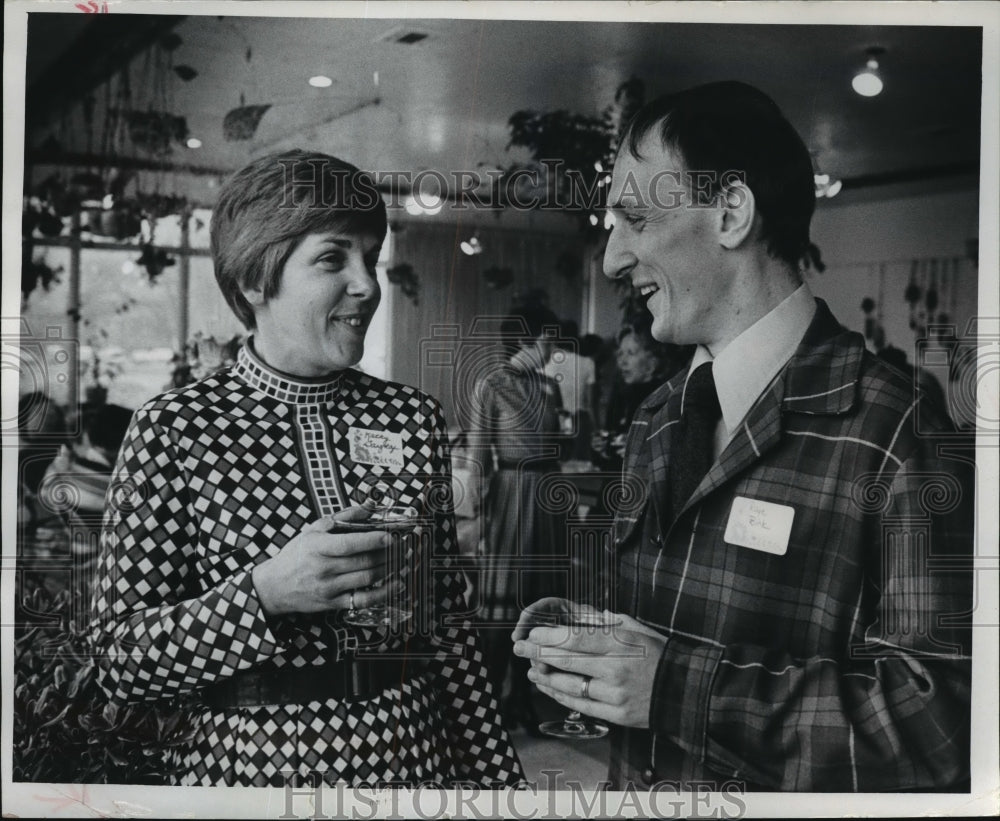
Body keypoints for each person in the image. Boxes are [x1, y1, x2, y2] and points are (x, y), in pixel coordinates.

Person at [513, 81, 973, 792]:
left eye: (634, 217)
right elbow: (667, 627)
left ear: (730, 212)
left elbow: (939, 723)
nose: (611, 260)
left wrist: (679, 687)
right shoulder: (656, 417)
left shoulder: (894, 426)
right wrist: (594, 638)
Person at [89, 149, 523, 787]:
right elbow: (118, 658)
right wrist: (264, 596)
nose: (367, 283)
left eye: (370, 257)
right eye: (332, 257)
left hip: (413, 762)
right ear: (254, 281)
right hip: (251, 774)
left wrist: (494, 784)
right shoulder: (176, 427)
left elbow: (449, 628)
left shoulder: (412, 418)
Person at [465, 305, 567, 734]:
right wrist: (479, 520)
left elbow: (558, 446)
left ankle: (523, 697)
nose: (552, 351)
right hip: (509, 495)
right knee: (501, 605)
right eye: (548, 342)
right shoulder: (491, 383)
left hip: (546, 497)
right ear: (526, 342)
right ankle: (488, 704)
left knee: (539, 600)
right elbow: (476, 458)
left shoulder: (550, 387)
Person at [596, 318, 691, 469]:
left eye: (630, 353)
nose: (622, 361)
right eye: (620, 353)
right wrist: (605, 448)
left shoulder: (667, 401)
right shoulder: (622, 396)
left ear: (653, 363)